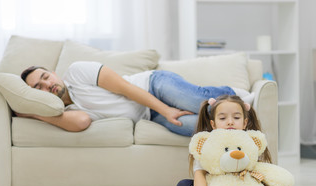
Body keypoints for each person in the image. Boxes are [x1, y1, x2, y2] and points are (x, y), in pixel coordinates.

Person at [19, 61, 255, 136]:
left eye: (45, 76)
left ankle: (236, 94)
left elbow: (124, 88)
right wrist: (34, 112)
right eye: (38, 87)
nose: (47, 85)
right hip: (150, 115)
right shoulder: (66, 113)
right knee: (198, 127)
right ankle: (241, 121)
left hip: (153, 87)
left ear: (53, 73)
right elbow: (81, 123)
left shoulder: (77, 71)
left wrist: (166, 109)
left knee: (197, 102)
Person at [176, 95, 293, 186]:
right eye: (222, 118)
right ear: (213, 124)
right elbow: (199, 174)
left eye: (236, 117)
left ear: (245, 122)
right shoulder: (208, 145)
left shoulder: (251, 142)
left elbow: (266, 175)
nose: (230, 122)